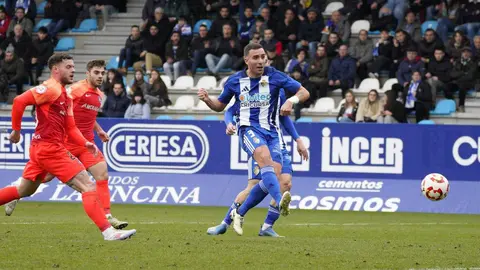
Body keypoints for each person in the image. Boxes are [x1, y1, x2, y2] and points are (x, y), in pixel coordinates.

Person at [0, 53, 136, 240]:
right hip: (50, 148)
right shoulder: (51, 88)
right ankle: (108, 231)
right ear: (56, 69)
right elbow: (19, 101)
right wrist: (16, 131)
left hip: (44, 148)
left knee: (24, 190)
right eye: (68, 67)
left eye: (73, 67)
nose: (73, 70)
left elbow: (71, 127)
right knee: (88, 185)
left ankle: (108, 224)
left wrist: (86, 142)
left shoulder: (64, 94)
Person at [197, 43, 310, 235]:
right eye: (255, 57)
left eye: (263, 57)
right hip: (250, 132)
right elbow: (224, 108)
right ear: (246, 60)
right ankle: (229, 221)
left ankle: (253, 220)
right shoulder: (235, 82)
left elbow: (301, 94)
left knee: (280, 181)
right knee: (263, 167)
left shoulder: (276, 79)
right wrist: (209, 101)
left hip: (274, 135)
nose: (260, 61)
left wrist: (292, 101)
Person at [206, 89, 308, 237]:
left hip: (278, 144)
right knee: (253, 185)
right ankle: (225, 222)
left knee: (285, 183)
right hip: (258, 144)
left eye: (265, 63)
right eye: (261, 63)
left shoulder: (277, 87)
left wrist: (297, 139)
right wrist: (229, 123)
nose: (262, 64)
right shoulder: (248, 87)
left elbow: (284, 117)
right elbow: (231, 110)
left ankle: (266, 227)